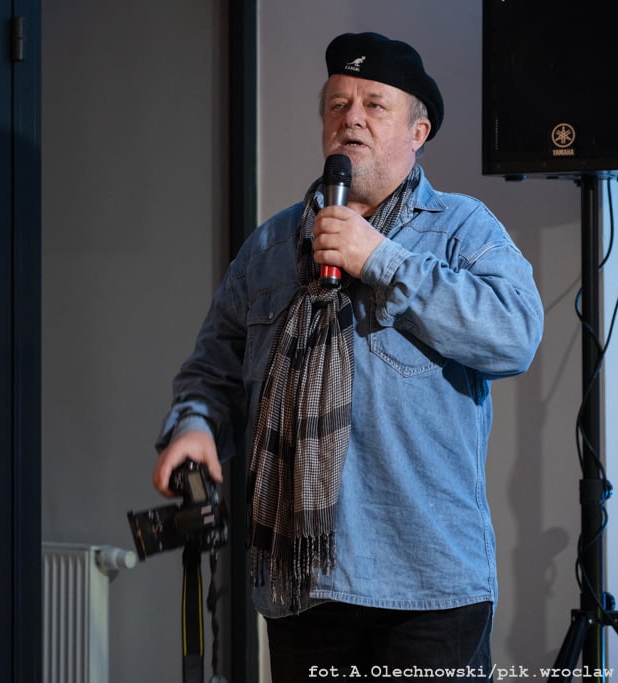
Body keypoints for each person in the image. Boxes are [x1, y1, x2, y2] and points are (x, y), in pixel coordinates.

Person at [152, 32, 543, 680]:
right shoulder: (272, 245)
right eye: (337, 104)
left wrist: (379, 259)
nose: (351, 118)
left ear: (418, 132)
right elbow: (213, 369)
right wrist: (194, 425)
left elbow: (515, 333)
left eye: (374, 105)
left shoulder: (462, 228)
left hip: (426, 590)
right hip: (302, 586)